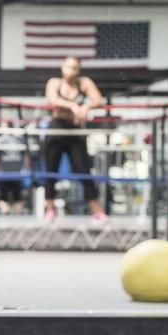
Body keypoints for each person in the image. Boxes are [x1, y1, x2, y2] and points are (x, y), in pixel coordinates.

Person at [42, 56, 105, 221]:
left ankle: (97, 211)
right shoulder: (54, 83)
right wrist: (72, 105)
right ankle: (49, 210)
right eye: (68, 67)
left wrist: (86, 106)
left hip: (74, 129)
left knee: (84, 170)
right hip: (56, 128)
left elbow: (98, 99)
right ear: (62, 67)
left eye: (74, 67)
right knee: (51, 170)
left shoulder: (84, 83)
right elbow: (52, 99)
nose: (71, 71)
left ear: (78, 70)